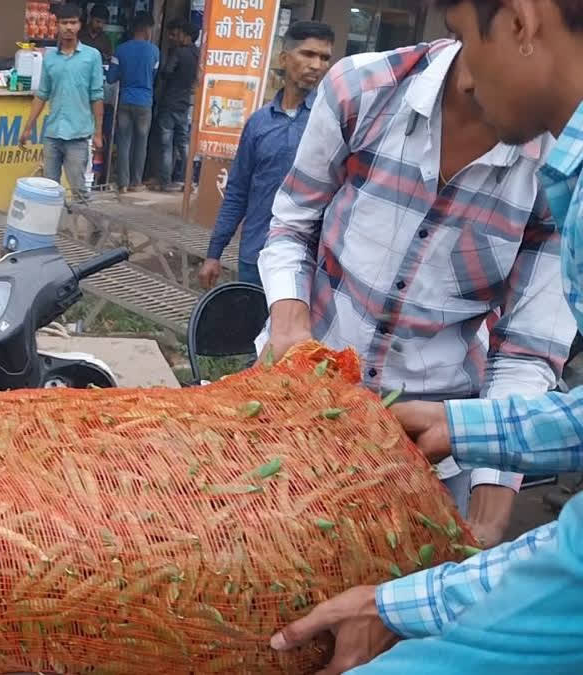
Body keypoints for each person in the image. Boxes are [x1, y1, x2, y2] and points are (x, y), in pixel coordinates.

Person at [271, 2, 583, 670]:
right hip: (305, 422)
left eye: (467, 35)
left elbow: (528, 347)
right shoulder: (362, 91)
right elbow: (291, 222)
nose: (463, 68)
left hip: (419, 466)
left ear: (521, 24)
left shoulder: (559, 176)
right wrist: (290, 320)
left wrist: (490, 483)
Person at [198, 21, 334, 288]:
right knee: (251, 327)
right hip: (255, 254)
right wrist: (214, 254)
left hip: (307, 261)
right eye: (308, 54)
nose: (317, 65)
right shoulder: (259, 123)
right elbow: (238, 191)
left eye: (324, 58)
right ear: (284, 58)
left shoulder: (331, 120)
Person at [21, 3, 104, 201]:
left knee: (78, 188)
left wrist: (98, 132)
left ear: (79, 26)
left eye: (73, 23)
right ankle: (52, 229)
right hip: (52, 134)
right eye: (64, 23)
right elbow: (42, 95)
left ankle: (90, 230)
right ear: (57, 25)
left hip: (78, 135)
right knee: (49, 188)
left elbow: (97, 96)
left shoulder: (92, 57)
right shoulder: (50, 58)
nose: (68, 27)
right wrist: (28, 127)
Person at [108, 13, 160, 192]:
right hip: (145, 102)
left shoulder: (120, 50)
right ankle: (136, 182)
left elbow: (111, 77)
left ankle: (122, 183)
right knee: (141, 142)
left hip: (125, 100)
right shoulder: (154, 51)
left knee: (123, 142)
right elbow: (153, 77)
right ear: (147, 29)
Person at [154, 19, 200, 192]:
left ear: (186, 36)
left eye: (180, 33)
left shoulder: (179, 53)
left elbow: (166, 72)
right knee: (183, 143)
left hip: (170, 102)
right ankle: (189, 181)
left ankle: (165, 182)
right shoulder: (197, 54)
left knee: (166, 144)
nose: (177, 36)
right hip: (184, 103)